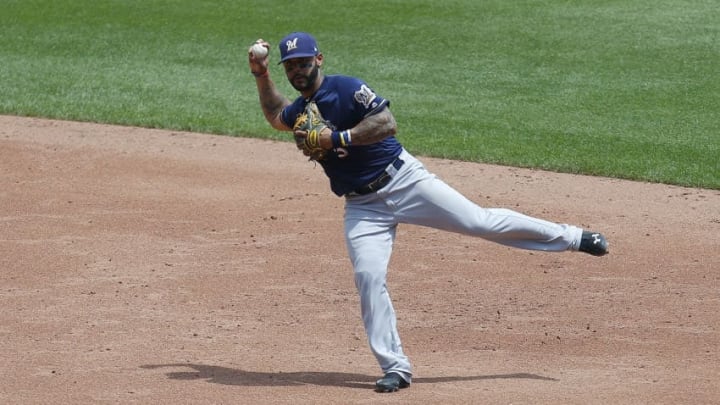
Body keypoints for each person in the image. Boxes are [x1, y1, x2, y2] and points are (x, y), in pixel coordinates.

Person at [247, 32, 609, 393]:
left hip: (405, 181)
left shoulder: (347, 88)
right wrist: (262, 74)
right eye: (291, 66)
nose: (298, 71)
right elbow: (277, 115)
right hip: (363, 206)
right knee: (368, 277)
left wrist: (337, 139)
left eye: (303, 63)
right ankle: (396, 368)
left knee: (478, 221)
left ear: (319, 60)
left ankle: (574, 237)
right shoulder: (301, 109)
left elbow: (386, 123)